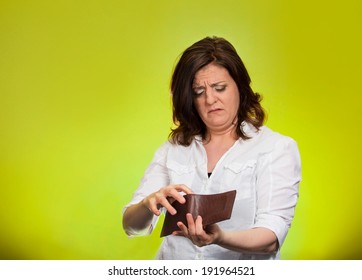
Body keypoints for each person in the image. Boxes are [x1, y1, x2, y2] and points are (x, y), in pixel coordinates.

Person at [122, 36, 301, 260]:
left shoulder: (275, 148)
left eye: (220, 88)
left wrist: (220, 237)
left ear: (240, 87)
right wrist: (148, 204)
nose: (210, 99)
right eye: (199, 92)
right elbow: (131, 226)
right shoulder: (173, 149)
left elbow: (271, 238)